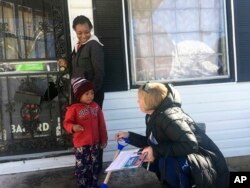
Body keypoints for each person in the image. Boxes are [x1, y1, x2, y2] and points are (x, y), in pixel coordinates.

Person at [115, 82, 229, 188]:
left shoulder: (169, 117)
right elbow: (154, 143)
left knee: (167, 161)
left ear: (149, 100)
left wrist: (155, 151)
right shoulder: (153, 116)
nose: (137, 102)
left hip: (205, 162)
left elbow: (190, 144)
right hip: (189, 158)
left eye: (139, 99)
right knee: (148, 156)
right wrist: (129, 136)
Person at [58, 15, 105, 172]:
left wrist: (90, 96)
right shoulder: (78, 46)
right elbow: (78, 70)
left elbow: (99, 74)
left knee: (93, 132)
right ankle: (85, 166)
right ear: (75, 32)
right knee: (82, 131)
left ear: (90, 29)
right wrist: (67, 63)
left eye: (86, 31)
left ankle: (95, 168)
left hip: (91, 98)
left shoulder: (94, 46)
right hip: (80, 99)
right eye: (79, 33)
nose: (83, 35)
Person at [63, 77, 108, 188]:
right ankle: (83, 186)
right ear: (79, 95)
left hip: (95, 144)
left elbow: (101, 125)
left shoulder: (96, 107)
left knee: (94, 166)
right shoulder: (73, 108)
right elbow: (66, 123)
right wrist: (73, 127)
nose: (90, 96)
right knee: (82, 168)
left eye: (92, 93)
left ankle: (93, 185)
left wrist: (104, 139)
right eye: (86, 93)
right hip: (81, 145)